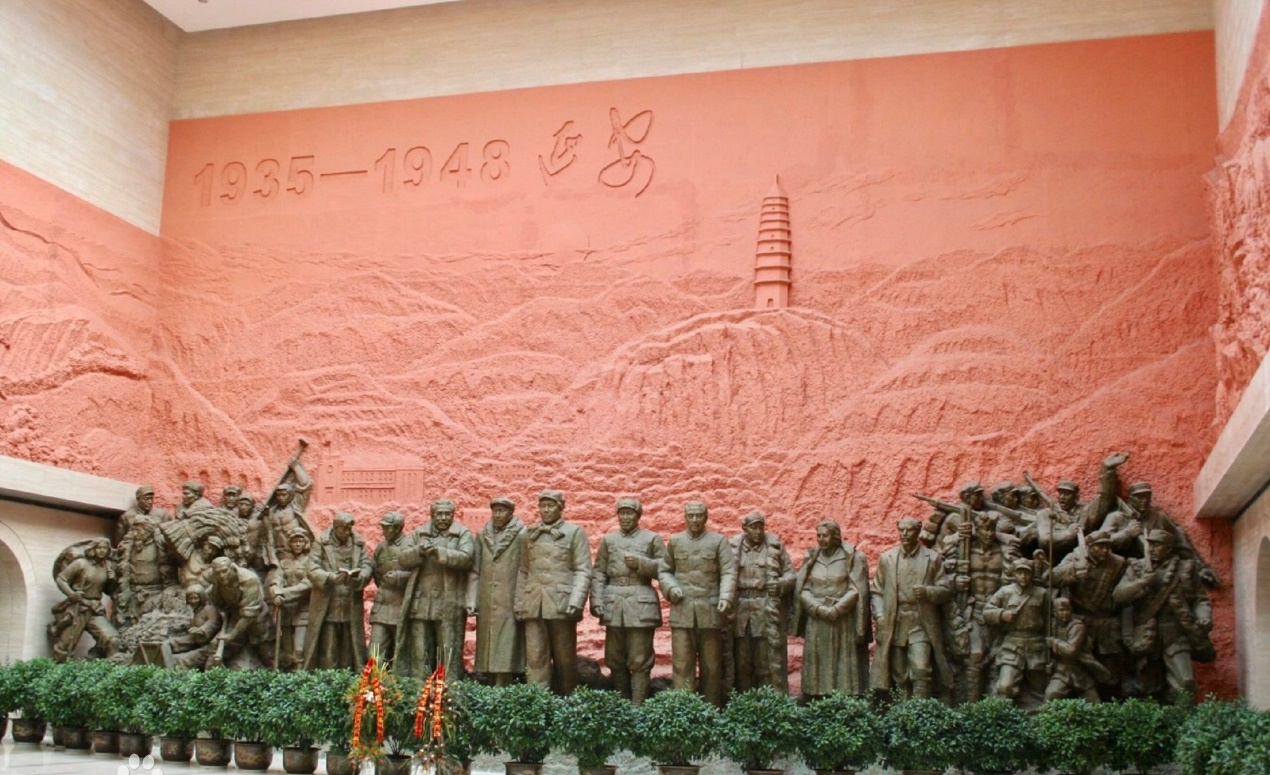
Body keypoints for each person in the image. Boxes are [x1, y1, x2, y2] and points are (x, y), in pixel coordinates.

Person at [1113, 530, 1213, 703]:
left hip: (1175, 633)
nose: (1151, 549)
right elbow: (1118, 595)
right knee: (1146, 687)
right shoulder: (1136, 567)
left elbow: (1200, 599)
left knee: (1185, 681)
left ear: (1168, 548)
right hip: (1145, 634)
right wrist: (1142, 582)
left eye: (1157, 545)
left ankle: (1183, 717)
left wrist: (1204, 616)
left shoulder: (1185, 569)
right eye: (1150, 544)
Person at [659, 500, 736, 706]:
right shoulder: (675, 541)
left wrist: (725, 596)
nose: (694, 519)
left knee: (712, 667)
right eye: (690, 516)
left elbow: (728, 572)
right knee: (682, 665)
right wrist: (671, 588)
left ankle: (711, 710)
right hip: (682, 612)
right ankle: (684, 711)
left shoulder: (719, 541)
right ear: (685, 517)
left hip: (710, 612)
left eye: (699, 515)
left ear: (706, 517)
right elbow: (665, 571)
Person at [515, 490, 592, 694]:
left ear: (560, 508)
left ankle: (567, 700)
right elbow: (524, 570)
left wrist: (576, 601)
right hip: (533, 603)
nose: (546, 510)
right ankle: (538, 701)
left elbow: (583, 570)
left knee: (564, 658)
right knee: (535, 656)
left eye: (551, 506)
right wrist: (519, 602)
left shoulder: (575, 533)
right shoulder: (529, 534)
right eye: (543, 506)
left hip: (562, 604)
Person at [591, 498, 666, 704]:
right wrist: (596, 600)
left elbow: (666, 569)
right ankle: (622, 704)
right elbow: (599, 572)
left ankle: (638, 707)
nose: (625, 517)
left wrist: (642, 563)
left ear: (637, 515)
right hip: (613, 601)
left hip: (641, 602)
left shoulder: (652, 539)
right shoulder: (609, 540)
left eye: (629, 513)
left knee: (640, 659)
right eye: (622, 513)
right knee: (615, 658)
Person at [870, 517, 952, 699]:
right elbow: (877, 591)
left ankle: (920, 710)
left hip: (921, 621)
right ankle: (902, 710)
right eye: (902, 530)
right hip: (896, 621)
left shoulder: (932, 558)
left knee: (921, 668)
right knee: (899, 673)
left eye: (910, 530)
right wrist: (880, 616)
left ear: (918, 531)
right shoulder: (887, 558)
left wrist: (928, 591)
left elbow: (945, 590)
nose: (905, 534)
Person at [396, 499, 476, 678]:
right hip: (422, 599)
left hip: (449, 599)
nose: (443, 518)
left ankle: (448, 686)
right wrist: (419, 551)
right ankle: (418, 685)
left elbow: (467, 558)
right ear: (432, 515)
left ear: (453, 515)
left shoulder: (462, 534)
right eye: (439, 514)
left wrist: (439, 552)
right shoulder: (420, 533)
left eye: (447, 514)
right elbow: (402, 558)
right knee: (420, 646)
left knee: (448, 646)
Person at [1049, 530, 1130, 697]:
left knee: (1110, 669)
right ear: (1090, 547)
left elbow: (1124, 593)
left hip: (1106, 622)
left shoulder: (1118, 563)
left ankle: (1110, 702)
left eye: (1107, 547)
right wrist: (1073, 571)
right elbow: (1052, 578)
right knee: (1080, 667)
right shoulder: (1076, 557)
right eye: (1100, 547)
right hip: (1079, 622)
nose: (1105, 550)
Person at [794, 520, 870, 697]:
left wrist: (837, 609)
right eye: (818, 535)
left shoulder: (851, 557)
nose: (821, 539)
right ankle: (816, 696)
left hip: (842, 619)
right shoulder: (812, 557)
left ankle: (844, 698)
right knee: (817, 659)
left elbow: (857, 589)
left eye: (825, 535)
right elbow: (803, 588)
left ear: (835, 537)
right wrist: (817, 608)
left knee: (842, 660)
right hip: (817, 617)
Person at [942, 510, 1010, 702]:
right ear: (976, 530)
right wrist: (955, 581)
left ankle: (995, 706)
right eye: (984, 529)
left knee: (998, 659)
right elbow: (940, 573)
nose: (988, 534)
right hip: (974, 611)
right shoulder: (964, 550)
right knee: (975, 656)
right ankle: (971, 706)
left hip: (998, 611)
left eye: (992, 529)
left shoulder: (1004, 550)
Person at [1101, 481, 1220, 587]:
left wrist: (1201, 568)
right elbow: (1099, 543)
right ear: (1130, 498)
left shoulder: (1159, 517)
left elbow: (1180, 543)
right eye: (1139, 497)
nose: (1144, 501)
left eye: (1147, 497)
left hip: (1157, 575)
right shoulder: (1116, 517)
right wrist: (1127, 533)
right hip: (1126, 576)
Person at [728, 511, 795, 692]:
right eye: (753, 528)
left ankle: (768, 701)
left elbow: (791, 575)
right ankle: (743, 701)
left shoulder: (774, 546)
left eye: (760, 527)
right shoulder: (732, 547)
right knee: (742, 662)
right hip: (740, 611)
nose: (758, 532)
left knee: (765, 662)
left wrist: (780, 584)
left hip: (765, 609)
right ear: (744, 529)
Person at [303, 512, 371, 670]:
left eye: (349, 529)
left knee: (348, 647)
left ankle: (347, 678)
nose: (347, 532)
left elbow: (367, 565)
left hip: (349, 601)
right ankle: (328, 679)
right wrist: (330, 577)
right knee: (329, 647)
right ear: (335, 527)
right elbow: (311, 568)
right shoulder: (321, 543)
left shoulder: (358, 543)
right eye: (344, 529)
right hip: (328, 602)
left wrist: (359, 578)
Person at [473, 497, 526, 686]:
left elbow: (525, 568)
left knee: (507, 640)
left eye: (502, 511)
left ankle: (505, 682)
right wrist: (473, 599)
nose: (497, 515)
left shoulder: (522, 534)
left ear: (511, 513)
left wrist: (521, 598)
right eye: (495, 511)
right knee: (487, 640)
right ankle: (489, 681)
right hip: (487, 596)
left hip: (509, 595)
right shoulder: (482, 535)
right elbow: (475, 569)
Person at [983, 559, 1051, 703]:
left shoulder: (1042, 593)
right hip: (1012, 645)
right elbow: (987, 612)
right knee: (1005, 686)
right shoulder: (1005, 592)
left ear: (1032, 574)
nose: (1023, 577)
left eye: (1027, 573)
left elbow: (1050, 620)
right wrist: (1002, 614)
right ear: (1014, 574)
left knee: (1043, 690)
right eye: (1020, 573)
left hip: (1036, 646)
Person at [49, 537, 118, 661]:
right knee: (64, 648)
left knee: (112, 639)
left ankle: (94, 662)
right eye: (99, 547)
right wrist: (72, 594)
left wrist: (112, 580)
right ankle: (56, 671)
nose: (102, 550)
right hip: (78, 608)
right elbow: (61, 579)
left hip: (95, 609)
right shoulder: (81, 563)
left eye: (105, 548)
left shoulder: (107, 567)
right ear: (93, 549)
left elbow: (109, 591)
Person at [208, 556, 274, 667]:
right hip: (235, 615)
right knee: (217, 645)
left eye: (224, 571)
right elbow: (215, 599)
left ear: (232, 568)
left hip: (256, 617)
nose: (222, 575)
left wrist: (232, 635)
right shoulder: (215, 579)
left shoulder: (249, 579)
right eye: (218, 573)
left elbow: (249, 615)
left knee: (267, 653)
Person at [1044, 597, 1110, 701]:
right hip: (1061, 671)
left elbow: (1071, 651)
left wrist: (1054, 642)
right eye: (1061, 610)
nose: (1065, 613)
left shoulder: (1077, 626)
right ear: (1054, 612)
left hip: (1079, 670)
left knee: (1094, 702)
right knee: (1051, 694)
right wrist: (1051, 663)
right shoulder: (1052, 625)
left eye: (1067, 610)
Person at [369, 511, 412, 667]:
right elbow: (374, 570)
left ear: (398, 528)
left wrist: (399, 577)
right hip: (382, 604)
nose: (384, 531)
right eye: (383, 527)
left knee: (400, 652)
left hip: (401, 605)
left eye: (388, 528)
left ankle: (397, 681)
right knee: (375, 650)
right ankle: (375, 680)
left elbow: (419, 575)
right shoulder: (381, 547)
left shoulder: (410, 546)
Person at [268, 531, 315, 670]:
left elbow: (307, 585)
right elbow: (276, 581)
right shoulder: (284, 563)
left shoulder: (311, 562)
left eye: (301, 541)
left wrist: (283, 592)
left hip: (303, 610)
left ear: (306, 543)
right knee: (287, 651)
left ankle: (301, 675)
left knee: (300, 648)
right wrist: (275, 594)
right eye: (295, 541)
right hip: (286, 610)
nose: (298, 544)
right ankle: (289, 676)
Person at [166, 584, 223, 669]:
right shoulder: (196, 612)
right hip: (196, 642)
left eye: (196, 598)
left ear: (202, 598)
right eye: (190, 598)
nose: (193, 601)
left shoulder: (209, 609)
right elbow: (192, 634)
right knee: (168, 644)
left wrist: (202, 630)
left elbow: (213, 622)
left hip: (209, 648)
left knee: (182, 660)